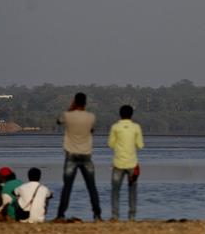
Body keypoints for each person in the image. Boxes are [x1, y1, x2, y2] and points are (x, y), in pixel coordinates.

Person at [55, 92, 102, 221]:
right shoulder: (91, 117)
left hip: (71, 155)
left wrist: (70, 108)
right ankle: (97, 215)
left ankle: (60, 215)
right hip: (86, 155)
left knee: (67, 187)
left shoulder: (67, 116)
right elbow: (91, 130)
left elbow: (58, 121)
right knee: (91, 186)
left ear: (75, 102)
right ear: (85, 103)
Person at [108, 105, 144, 221]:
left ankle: (115, 215)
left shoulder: (115, 127)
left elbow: (111, 144)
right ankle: (132, 216)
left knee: (115, 190)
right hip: (132, 164)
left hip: (118, 163)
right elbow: (140, 145)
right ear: (131, 115)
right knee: (132, 190)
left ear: (120, 114)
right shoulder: (136, 127)